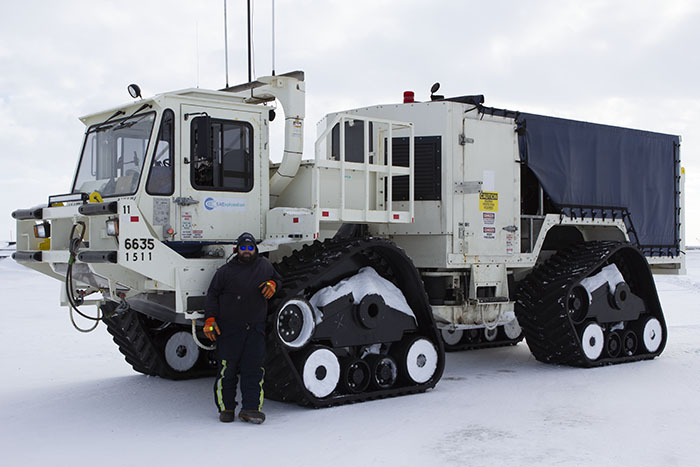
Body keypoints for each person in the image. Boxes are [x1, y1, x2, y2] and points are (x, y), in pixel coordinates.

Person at [203, 232, 281, 424]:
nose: (247, 252)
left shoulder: (265, 266)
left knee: (254, 371)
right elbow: (212, 295)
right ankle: (226, 409)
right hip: (229, 330)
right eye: (243, 248)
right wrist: (210, 319)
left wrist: (273, 284)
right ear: (236, 249)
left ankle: (251, 409)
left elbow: (278, 280)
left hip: (255, 330)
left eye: (250, 248)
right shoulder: (225, 272)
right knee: (226, 371)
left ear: (256, 249)